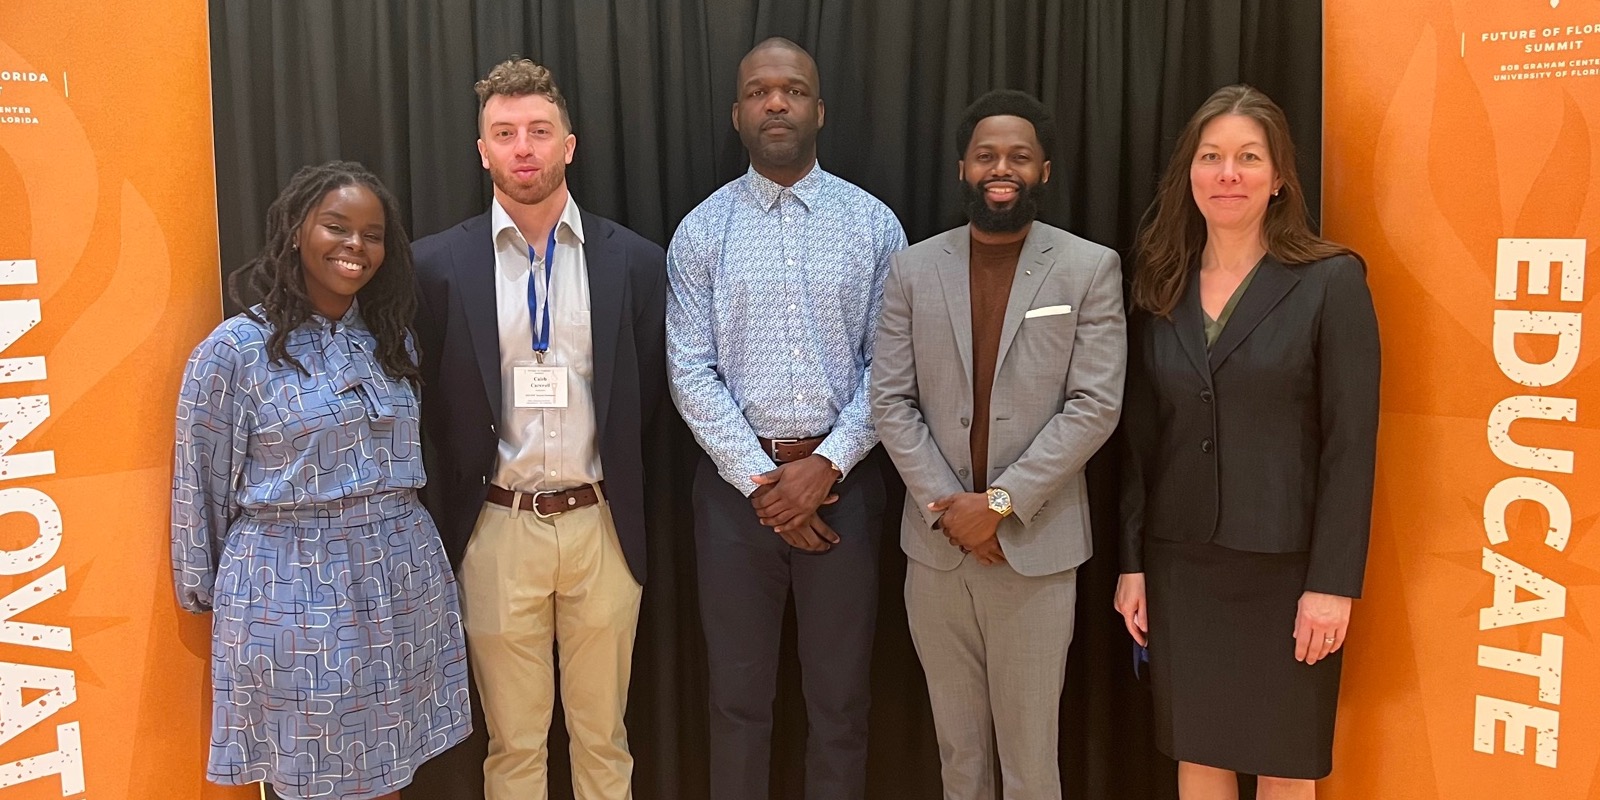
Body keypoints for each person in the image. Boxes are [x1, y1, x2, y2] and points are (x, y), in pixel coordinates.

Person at [171, 160, 471, 800]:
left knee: (389, 766)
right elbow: (201, 484)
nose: (355, 246)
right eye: (337, 226)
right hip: (293, 588)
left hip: (400, 578)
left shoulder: (393, 342)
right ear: (295, 231)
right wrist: (208, 589)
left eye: (372, 233)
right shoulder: (236, 350)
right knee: (310, 773)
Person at [1113, 84, 1381, 799]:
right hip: (1183, 566)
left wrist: (1332, 585)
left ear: (1280, 176)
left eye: (1248, 158)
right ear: (1190, 174)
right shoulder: (1160, 285)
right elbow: (1141, 438)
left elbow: (1352, 447)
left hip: (1288, 571)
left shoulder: (1330, 280)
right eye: (1212, 157)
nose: (1228, 173)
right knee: (1199, 756)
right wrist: (1132, 563)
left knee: (1286, 766)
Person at [411, 58, 667, 800]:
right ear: (482, 151)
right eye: (505, 133)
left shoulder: (637, 264)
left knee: (604, 740)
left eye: (539, 132)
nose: (524, 147)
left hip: (601, 526)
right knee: (514, 747)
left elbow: (648, 398)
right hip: (496, 529)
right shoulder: (435, 266)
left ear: (570, 146)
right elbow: (426, 407)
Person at [666, 36, 906, 800]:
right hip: (738, 503)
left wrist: (826, 465)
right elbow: (688, 371)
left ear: (820, 110)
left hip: (847, 493)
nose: (777, 102)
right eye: (761, 91)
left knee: (840, 704)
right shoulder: (702, 232)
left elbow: (892, 367)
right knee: (738, 704)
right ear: (737, 113)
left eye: (794, 90)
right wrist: (767, 484)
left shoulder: (873, 225)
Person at [871, 89, 1125, 800]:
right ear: (963, 168)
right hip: (938, 552)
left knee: (1030, 765)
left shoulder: (1088, 268)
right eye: (987, 155)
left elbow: (1095, 405)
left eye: (1018, 156)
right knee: (960, 761)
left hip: (1035, 556)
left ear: (1044, 170)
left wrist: (1002, 504)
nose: (1001, 167)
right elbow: (890, 400)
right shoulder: (913, 269)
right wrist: (950, 509)